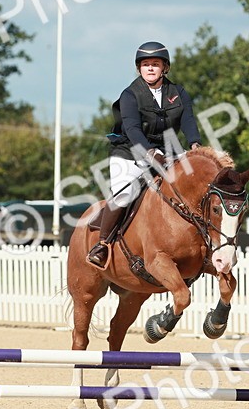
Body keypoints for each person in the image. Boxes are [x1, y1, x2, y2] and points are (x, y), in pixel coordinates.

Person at [85, 40, 203, 268]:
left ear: (164, 68)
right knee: (125, 194)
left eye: (155, 64)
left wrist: (195, 144)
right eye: (146, 64)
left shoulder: (178, 92)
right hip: (130, 152)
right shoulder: (130, 94)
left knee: (190, 189)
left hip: (168, 152)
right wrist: (149, 153)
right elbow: (132, 128)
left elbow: (188, 119)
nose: (150, 68)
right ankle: (102, 244)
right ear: (139, 68)